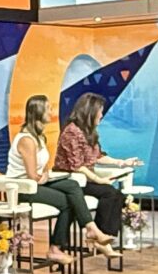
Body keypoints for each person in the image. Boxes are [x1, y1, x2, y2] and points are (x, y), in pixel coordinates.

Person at [10, 94, 113, 253]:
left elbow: (40, 168)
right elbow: (32, 176)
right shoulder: (26, 140)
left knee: (72, 185)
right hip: (23, 188)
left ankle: (89, 229)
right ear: (38, 112)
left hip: (37, 183)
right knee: (68, 202)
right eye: (48, 109)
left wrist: (46, 174)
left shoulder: (39, 137)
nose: (51, 112)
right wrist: (43, 176)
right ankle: (59, 247)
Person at [55, 92, 138, 241]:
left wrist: (122, 162)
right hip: (71, 180)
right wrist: (99, 180)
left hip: (86, 177)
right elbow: (77, 165)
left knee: (116, 195)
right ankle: (100, 235)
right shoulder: (71, 131)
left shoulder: (89, 131)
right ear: (90, 111)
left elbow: (98, 156)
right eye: (100, 111)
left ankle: (106, 236)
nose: (101, 115)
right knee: (109, 193)